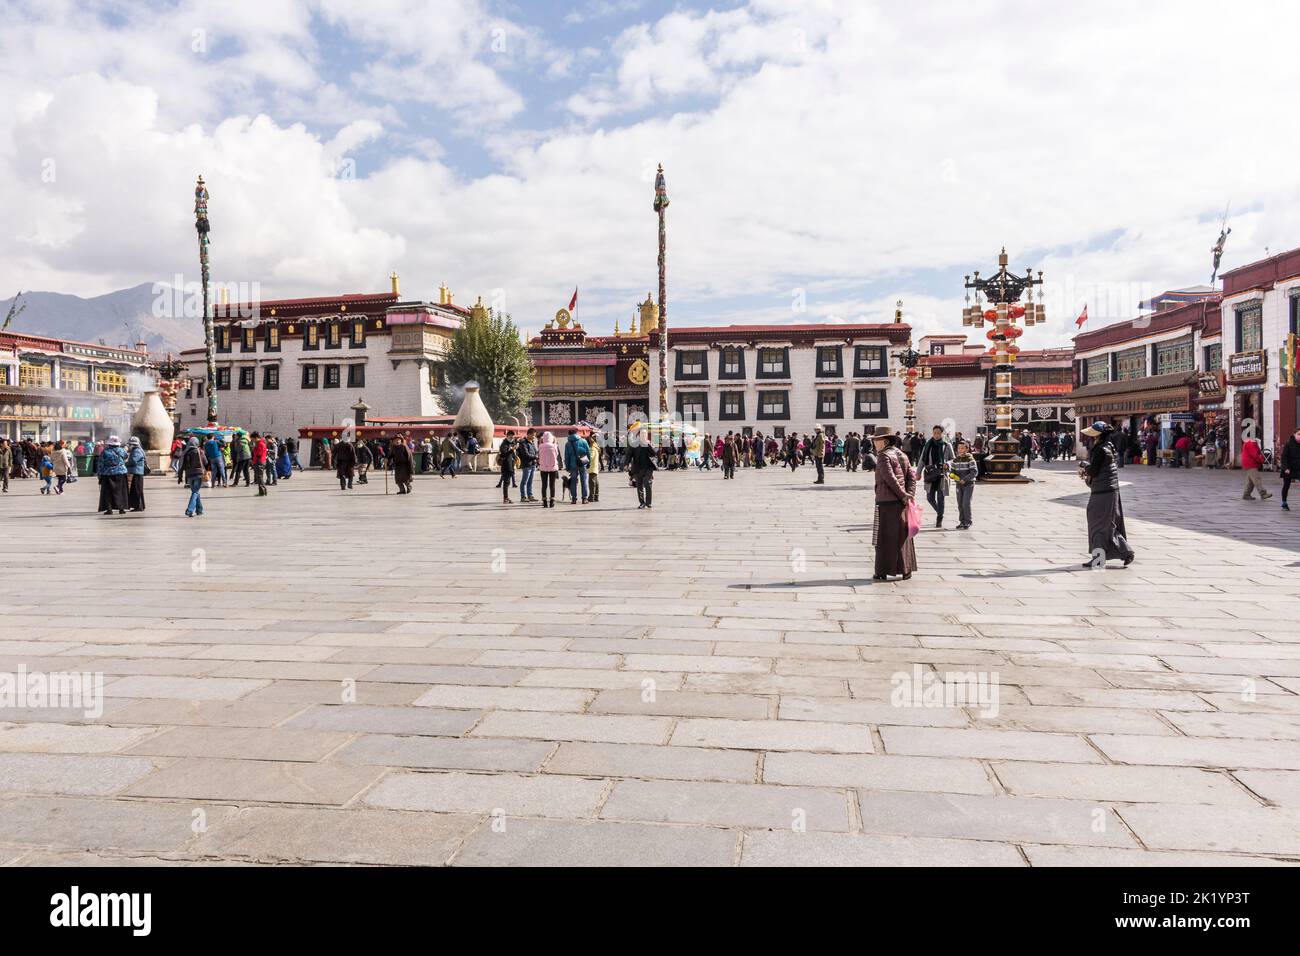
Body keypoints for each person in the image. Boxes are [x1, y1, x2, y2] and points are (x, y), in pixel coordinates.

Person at [1079, 421, 1135, 568]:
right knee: (1107, 525)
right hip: (1109, 490)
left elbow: (1094, 471)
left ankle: (1099, 558)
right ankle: (1125, 551)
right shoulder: (1109, 447)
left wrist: (1085, 466)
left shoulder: (1100, 450)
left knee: (1097, 525)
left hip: (1102, 492)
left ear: (1097, 435)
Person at [871, 426, 917, 581]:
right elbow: (912, 476)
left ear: (883, 441)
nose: (874, 443)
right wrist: (908, 495)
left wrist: (903, 495)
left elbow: (890, 479)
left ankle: (882, 571)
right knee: (902, 536)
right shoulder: (902, 454)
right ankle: (906, 569)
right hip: (901, 502)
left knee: (884, 537)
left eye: (876, 440)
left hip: (887, 501)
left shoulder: (883, 456)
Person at [919, 425, 954, 529]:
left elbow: (953, 459)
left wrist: (947, 463)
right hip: (930, 474)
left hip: (942, 475)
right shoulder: (928, 445)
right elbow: (922, 460)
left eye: (939, 433)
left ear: (942, 434)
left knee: (940, 497)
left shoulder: (947, 445)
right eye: (935, 433)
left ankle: (939, 518)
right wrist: (918, 473)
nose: (936, 435)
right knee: (929, 498)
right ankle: (940, 513)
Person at [96, 435, 129, 515]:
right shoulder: (121, 450)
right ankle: (121, 509)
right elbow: (126, 456)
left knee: (108, 493)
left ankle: (109, 509)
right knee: (121, 492)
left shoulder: (105, 452)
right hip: (121, 473)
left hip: (108, 474)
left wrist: (99, 475)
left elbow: (100, 464)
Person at [951, 439, 978, 530]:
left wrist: (965, 479)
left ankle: (968, 521)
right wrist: (953, 476)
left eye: (962, 448)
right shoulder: (955, 460)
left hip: (968, 484)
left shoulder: (970, 459)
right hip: (959, 485)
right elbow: (952, 472)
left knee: (965, 503)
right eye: (959, 448)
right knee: (960, 503)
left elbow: (974, 472)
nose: (960, 450)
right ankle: (962, 521)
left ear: (967, 449)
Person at [181, 436, 208, 517]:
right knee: (195, 492)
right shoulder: (200, 451)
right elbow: (206, 462)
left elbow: (182, 465)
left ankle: (199, 510)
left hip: (189, 475)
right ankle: (190, 510)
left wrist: (180, 476)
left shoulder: (186, 452)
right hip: (198, 474)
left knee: (195, 492)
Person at [628, 432, 656, 509]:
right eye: (642, 435)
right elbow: (629, 454)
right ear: (638, 436)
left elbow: (654, 454)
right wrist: (627, 464)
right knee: (639, 485)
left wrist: (648, 445)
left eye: (644, 435)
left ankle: (648, 503)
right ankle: (642, 503)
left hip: (648, 468)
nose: (643, 436)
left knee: (647, 483)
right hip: (638, 468)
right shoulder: (634, 444)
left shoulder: (648, 444)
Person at [563, 429, 591, 504]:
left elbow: (567, 456)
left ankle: (574, 499)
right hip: (582, 463)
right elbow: (588, 452)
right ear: (576, 433)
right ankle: (584, 498)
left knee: (573, 482)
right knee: (584, 481)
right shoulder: (583, 441)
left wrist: (567, 466)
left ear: (569, 434)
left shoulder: (568, 444)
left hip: (573, 465)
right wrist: (588, 462)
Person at [1241, 435, 1271, 501]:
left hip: (1249, 463)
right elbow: (1255, 455)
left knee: (1251, 481)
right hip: (1250, 463)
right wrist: (1261, 460)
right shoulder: (1250, 443)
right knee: (1256, 479)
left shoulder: (1250, 442)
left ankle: (1246, 494)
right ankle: (1263, 493)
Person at [537, 431, 561, 507]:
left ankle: (544, 501)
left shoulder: (540, 446)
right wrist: (555, 441)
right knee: (552, 485)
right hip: (553, 467)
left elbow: (539, 454)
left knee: (544, 485)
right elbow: (557, 454)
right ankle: (552, 501)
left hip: (543, 467)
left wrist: (541, 441)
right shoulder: (554, 446)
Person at [125, 436, 147, 511]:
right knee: (137, 490)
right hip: (137, 472)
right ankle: (139, 506)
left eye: (130, 444)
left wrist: (125, 464)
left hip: (136, 472)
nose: (129, 446)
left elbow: (133, 461)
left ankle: (139, 506)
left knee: (137, 490)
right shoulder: (137, 450)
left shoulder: (136, 451)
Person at [1280, 429, 1300, 512]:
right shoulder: (1289, 444)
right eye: (1299, 434)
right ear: (1294, 434)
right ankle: (1284, 502)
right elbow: (1284, 457)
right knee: (1286, 485)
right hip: (1289, 468)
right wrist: (1286, 468)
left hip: (1299, 468)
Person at [517, 430, 538, 502]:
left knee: (530, 481)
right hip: (526, 464)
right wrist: (535, 457)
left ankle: (530, 495)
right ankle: (523, 496)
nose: (534, 437)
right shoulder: (523, 443)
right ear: (528, 434)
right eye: (533, 435)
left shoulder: (532, 442)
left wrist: (536, 457)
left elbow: (535, 451)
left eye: (534, 435)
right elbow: (525, 454)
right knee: (524, 481)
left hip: (532, 464)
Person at [251, 432, 269, 496]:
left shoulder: (260, 444)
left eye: (253, 439)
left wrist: (254, 448)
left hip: (259, 462)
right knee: (260, 477)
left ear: (256, 438)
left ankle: (262, 492)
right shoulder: (260, 443)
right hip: (260, 461)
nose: (252, 440)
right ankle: (263, 492)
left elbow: (259, 454)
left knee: (259, 477)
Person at [588, 438, 601, 503]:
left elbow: (590, 457)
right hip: (595, 467)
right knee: (596, 482)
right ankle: (596, 496)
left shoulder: (592, 449)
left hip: (592, 467)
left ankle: (591, 497)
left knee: (592, 483)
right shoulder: (596, 447)